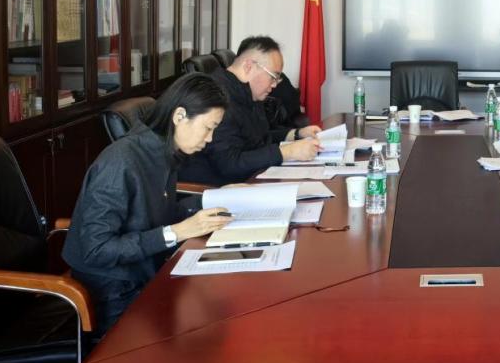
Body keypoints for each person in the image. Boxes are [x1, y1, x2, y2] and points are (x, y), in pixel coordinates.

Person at [62, 74, 233, 335]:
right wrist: (176, 232)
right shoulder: (120, 163)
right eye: (208, 127)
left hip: (145, 272)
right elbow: (97, 249)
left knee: (218, 307)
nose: (210, 138)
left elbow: (159, 213)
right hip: (112, 292)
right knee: (201, 330)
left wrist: (217, 198)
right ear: (179, 116)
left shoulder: (162, 150)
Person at [181, 36, 321, 186]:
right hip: (218, 188)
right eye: (273, 77)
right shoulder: (217, 97)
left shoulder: (248, 92)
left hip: (251, 179)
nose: (274, 85)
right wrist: (286, 152)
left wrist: (296, 134)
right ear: (248, 66)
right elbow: (229, 165)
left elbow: (256, 138)